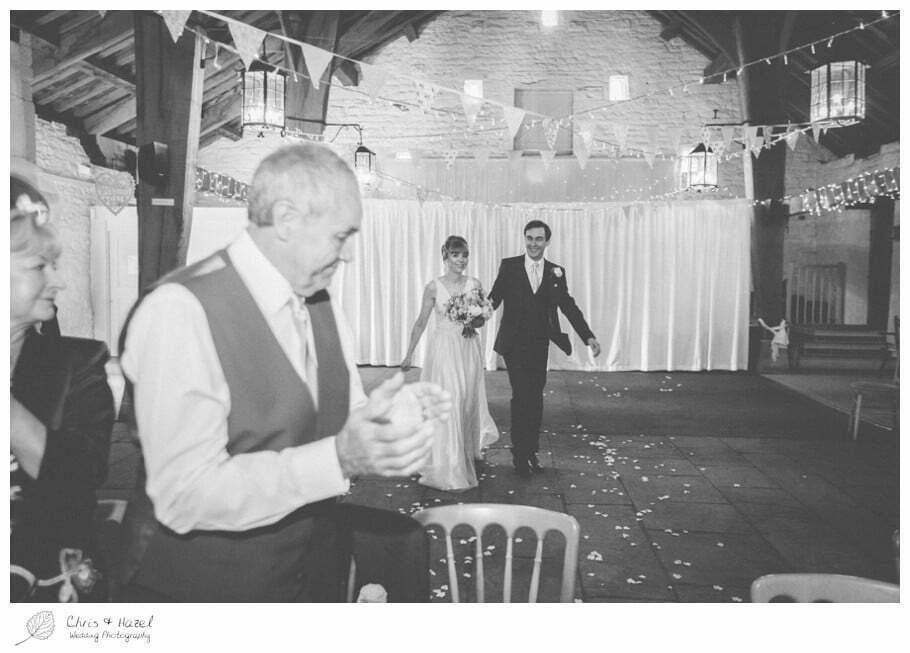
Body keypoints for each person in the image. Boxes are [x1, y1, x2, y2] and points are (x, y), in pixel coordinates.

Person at [118, 143, 451, 602]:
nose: (350, 253)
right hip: (206, 592)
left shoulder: (320, 299)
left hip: (310, 572)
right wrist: (338, 460)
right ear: (287, 219)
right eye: (341, 235)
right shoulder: (182, 309)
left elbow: (343, 414)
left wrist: (392, 417)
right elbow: (184, 496)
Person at [10, 175, 114, 601]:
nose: (59, 282)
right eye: (39, 266)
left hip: (45, 593)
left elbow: (74, 489)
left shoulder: (78, 368)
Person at [489, 220, 600, 478]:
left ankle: (531, 452)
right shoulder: (509, 266)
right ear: (524, 238)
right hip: (513, 345)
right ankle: (519, 455)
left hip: (539, 345)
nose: (533, 244)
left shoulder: (556, 272)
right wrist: (475, 315)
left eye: (539, 239)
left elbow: (568, 306)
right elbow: (494, 298)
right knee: (521, 397)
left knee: (535, 398)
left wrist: (588, 336)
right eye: (529, 238)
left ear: (547, 242)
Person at [401, 236, 499, 491]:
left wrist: (475, 318)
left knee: (467, 401)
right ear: (445, 256)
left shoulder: (474, 284)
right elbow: (422, 321)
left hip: (467, 348)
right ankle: (450, 462)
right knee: (451, 400)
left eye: (465, 255)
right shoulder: (433, 287)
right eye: (456, 255)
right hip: (444, 349)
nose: (461, 260)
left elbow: (481, 319)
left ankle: (465, 449)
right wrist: (409, 353)